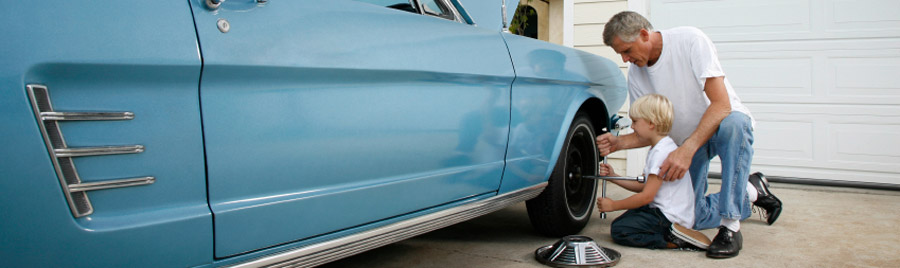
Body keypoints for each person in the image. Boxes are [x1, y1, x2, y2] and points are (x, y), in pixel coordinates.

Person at [596, 11, 783, 259]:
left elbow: (721, 105)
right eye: (620, 53)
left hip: (720, 127)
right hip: (685, 141)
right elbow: (649, 130)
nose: (625, 58)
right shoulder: (637, 75)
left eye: (627, 50)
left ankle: (730, 227)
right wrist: (618, 143)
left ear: (644, 34)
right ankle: (751, 192)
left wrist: (687, 150)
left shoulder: (690, 40)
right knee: (689, 216)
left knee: (735, 124)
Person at [596, 94, 712, 251]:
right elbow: (643, 186)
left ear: (651, 123)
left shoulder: (660, 153)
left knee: (620, 230)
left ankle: (673, 240)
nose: (632, 127)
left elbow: (646, 196)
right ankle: (673, 234)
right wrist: (613, 177)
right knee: (626, 219)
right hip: (662, 210)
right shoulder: (661, 147)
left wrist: (614, 205)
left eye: (635, 122)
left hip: (669, 216)